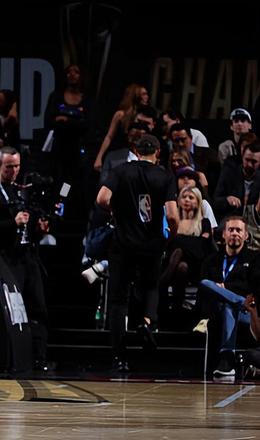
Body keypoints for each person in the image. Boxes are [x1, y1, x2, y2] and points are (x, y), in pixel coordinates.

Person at [96, 134, 179, 372]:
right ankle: (146, 321)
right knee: (151, 286)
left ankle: (119, 357)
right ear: (158, 152)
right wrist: (170, 236)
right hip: (151, 243)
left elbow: (102, 198)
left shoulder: (121, 171)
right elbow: (172, 215)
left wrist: (117, 211)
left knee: (118, 299)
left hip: (123, 243)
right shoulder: (165, 176)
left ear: (136, 150)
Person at [0, 147, 50, 370]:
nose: (14, 171)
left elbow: (30, 225)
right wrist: (12, 223)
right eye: (9, 167)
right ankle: (13, 358)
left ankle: (40, 357)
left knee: (38, 307)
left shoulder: (22, 191)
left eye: (17, 166)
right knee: (13, 309)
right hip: (6, 259)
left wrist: (39, 228)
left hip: (28, 256)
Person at [193, 216, 260, 377]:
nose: (234, 233)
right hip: (218, 310)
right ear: (224, 234)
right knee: (206, 284)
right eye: (231, 230)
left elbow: (252, 287)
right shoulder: (211, 260)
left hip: (247, 313)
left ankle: (227, 360)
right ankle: (227, 358)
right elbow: (205, 290)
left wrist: (226, 288)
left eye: (238, 230)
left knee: (230, 306)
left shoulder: (254, 259)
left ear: (246, 235)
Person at [158, 186, 214, 312]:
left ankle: (163, 283)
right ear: (178, 201)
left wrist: (179, 241)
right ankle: (176, 308)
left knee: (179, 251)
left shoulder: (204, 222)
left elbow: (203, 246)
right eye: (184, 197)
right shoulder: (172, 221)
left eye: (191, 197)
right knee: (181, 266)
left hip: (196, 264)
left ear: (198, 202)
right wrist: (190, 241)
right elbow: (166, 244)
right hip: (173, 263)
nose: (187, 200)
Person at [93, 83, 149, 172]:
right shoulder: (121, 115)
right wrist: (99, 157)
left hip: (135, 158)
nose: (147, 97)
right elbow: (109, 136)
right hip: (118, 156)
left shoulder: (145, 118)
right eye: (143, 94)